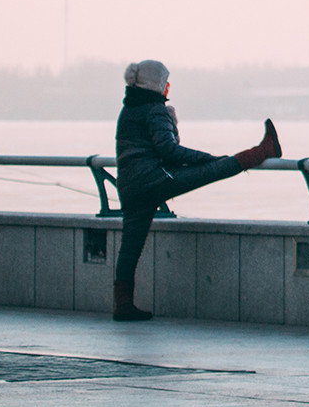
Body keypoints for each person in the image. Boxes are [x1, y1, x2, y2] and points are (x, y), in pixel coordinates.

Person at [113, 59, 281, 321]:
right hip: (154, 180)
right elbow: (168, 150)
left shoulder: (128, 110)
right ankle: (264, 150)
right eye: (165, 83)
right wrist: (208, 158)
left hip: (129, 186)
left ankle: (122, 305)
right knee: (216, 169)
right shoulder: (154, 109)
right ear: (156, 84)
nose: (167, 88)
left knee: (130, 248)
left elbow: (147, 151)